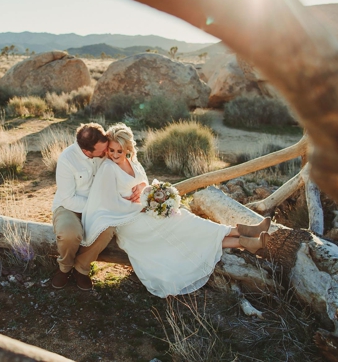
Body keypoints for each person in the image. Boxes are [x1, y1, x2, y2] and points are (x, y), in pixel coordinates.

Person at [82, 123, 271, 298]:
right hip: (128, 222)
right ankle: (242, 234)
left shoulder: (133, 162)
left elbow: (144, 184)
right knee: (180, 226)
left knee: (185, 219)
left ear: (128, 149)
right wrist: (140, 206)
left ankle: (244, 240)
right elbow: (109, 203)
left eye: (119, 151)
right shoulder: (108, 168)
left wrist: (142, 188)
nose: (114, 154)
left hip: (142, 212)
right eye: (112, 150)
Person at [51, 122, 145, 291]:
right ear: (87, 152)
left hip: (101, 206)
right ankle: (64, 268)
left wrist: (142, 184)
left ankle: (81, 268)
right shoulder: (67, 159)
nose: (106, 153)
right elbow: (68, 199)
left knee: (106, 230)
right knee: (70, 234)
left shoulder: (107, 151)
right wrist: (98, 205)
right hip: (70, 207)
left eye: (107, 148)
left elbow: (129, 167)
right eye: (102, 151)